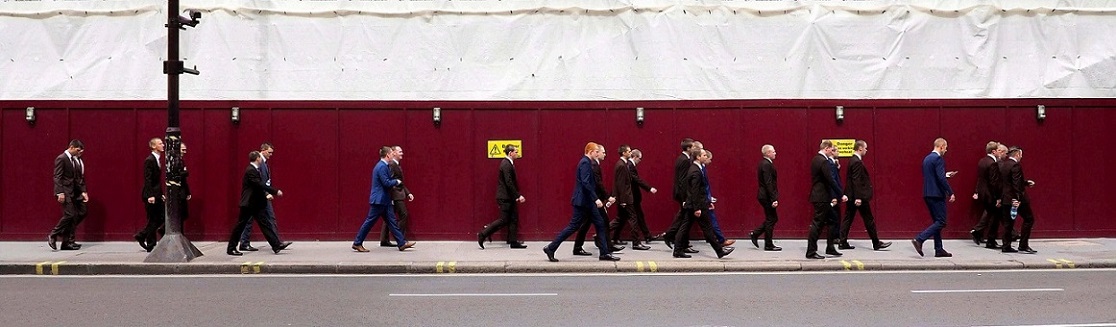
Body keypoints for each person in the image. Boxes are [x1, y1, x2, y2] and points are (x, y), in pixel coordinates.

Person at [542, 142, 620, 262]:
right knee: (573, 226)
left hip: (587, 202)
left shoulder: (588, 162)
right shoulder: (585, 163)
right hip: (583, 202)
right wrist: (596, 199)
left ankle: (604, 253)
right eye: (596, 151)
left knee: (600, 224)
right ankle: (551, 247)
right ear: (590, 152)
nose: (598, 153)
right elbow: (585, 183)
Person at [227, 151, 293, 255]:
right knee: (240, 226)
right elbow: (260, 185)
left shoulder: (254, 170)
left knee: (265, 224)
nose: (261, 159)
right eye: (260, 157)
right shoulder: (251, 170)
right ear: (257, 158)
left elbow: (258, 187)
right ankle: (231, 248)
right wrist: (275, 191)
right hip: (248, 204)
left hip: (255, 204)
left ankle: (276, 245)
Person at [672, 148, 733, 259]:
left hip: (696, 204)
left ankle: (677, 250)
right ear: (698, 157)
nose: (706, 157)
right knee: (706, 228)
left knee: (685, 227)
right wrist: (697, 208)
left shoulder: (696, 169)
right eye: (704, 155)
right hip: (697, 205)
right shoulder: (695, 171)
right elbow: (695, 191)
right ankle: (719, 251)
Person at [352, 147, 416, 252]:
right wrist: (396, 182)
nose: (392, 155)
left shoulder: (383, 166)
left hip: (384, 200)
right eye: (391, 153)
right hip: (379, 200)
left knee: (392, 222)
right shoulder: (381, 167)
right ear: (387, 155)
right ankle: (357, 242)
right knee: (369, 222)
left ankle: (401, 243)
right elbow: (386, 182)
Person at [839, 140, 892, 250]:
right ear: (860, 148)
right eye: (865, 148)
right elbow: (856, 180)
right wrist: (858, 197)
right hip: (858, 197)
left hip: (852, 195)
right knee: (868, 219)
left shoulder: (852, 160)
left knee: (848, 218)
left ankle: (842, 241)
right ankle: (876, 242)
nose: (866, 150)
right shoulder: (857, 162)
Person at [913, 138, 957, 257]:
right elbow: (940, 178)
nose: (946, 150)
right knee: (941, 221)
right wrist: (950, 192)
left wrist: (946, 174)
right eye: (946, 147)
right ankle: (920, 239)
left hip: (928, 193)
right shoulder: (938, 159)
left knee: (937, 221)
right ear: (941, 146)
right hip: (937, 194)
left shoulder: (927, 158)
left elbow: (934, 176)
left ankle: (939, 249)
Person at [478, 145, 527, 249]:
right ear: (510, 153)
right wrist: (518, 195)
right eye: (515, 152)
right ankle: (483, 234)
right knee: (504, 220)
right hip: (505, 197)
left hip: (509, 197)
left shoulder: (509, 163)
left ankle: (513, 241)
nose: (517, 153)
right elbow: (508, 182)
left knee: (513, 218)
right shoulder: (506, 164)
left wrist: (515, 196)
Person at [608, 145, 657, 250]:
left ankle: (602, 234)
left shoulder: (624, 164)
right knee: (633, 219)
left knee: (621, 219)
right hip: (627, 198)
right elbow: (622, 184)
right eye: (629, 151)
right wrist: (623, 200)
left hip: (627, 197)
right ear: (624, 152)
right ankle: (636, 243)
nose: (630, 153)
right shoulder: (622, 165)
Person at [239, 143, 286, 252]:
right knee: (262, 220)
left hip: (258, 197)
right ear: (263, 151)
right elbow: (259, 183)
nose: (271, 155)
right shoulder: (258, 165)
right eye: (269, 152)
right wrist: (267, 193)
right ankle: (275, 243)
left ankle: (276, 243)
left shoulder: (262, 163)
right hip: (258, 197)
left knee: (265, 220)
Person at [806, 140, 845, 259]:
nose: (832, 151)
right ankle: (811, 251)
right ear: (826, 148)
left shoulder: (815, 159)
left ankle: (830, 247)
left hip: (820, 196)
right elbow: (830, 179)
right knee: (817, 223)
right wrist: (840, 194)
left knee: (833, 221)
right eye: (831, 149)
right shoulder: (823, 161)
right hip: (822, 197)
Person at [48, 139, 88, 251]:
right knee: (70, 215)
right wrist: (59, 192)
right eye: (78, 150)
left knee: (78, 214)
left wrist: (82, 191)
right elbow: (57, 176)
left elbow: (78, 178)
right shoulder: (62, 158)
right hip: (64, 192)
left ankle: (66, 242)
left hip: (73, 192)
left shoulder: (74, 160)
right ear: (71, 147)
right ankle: (54, 234)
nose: (79, 152)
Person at [1000, 147, 1038, 254]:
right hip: (1016, 199)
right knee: (1029, 219)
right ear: (1017, 155)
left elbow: (1007, 182)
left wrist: (1025, 183)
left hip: (1006, 198)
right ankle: (1023, 245)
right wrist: (1017, 199)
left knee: (1008, 223)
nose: (1021, 157)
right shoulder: (1015, 165)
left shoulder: (1004, 165)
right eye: (1021, 154)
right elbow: (1016, 184)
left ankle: (1006, 245)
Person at [969, 141, 1004, 247]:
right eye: (998, 150)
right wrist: (998, 197)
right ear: (993, 151)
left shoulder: (982, 161)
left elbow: (981, 178)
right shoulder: (992, 163)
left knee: (990, 214)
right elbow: (994, 182)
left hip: (982, 192)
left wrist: (977, 191)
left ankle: (978, 233)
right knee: (995, 216)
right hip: (990, 194)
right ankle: (991, 240)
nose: (999, 152)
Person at [134, 137, 165, 252]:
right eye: (160, 143)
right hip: (150, 195)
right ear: (153, 146)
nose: (163, 145)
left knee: (158, 218)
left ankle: (143, 237)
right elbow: (148, 179)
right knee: (154, 219)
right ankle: (149, 242)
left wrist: (161, 194)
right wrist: (150, 195)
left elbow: (157, 181)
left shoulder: (157, 159)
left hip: (156, 194)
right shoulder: (150, 160)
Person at [381, 146, 415, 247]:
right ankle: (400, 239)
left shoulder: (395, 164)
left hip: (398, 194)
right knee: (403, 215)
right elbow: (390, 181)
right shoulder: (392, 165)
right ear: (394, 153)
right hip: (396, 195)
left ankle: (384, 239)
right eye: (400, 151)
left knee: (388, 218)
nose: (402, 153)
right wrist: (390, 196)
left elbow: (400, 181)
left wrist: (408, 193)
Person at [749, 144, 781, 251]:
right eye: (773, 151)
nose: (775, 153)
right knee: (771, 219)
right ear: (767, 153)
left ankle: (756, 234)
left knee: (771, 218)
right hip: (767, 196)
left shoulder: (764, 163)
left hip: (765, 195)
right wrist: (774, 198)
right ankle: (768, 244)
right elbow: (769, 182)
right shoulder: (766, 164)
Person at [626, 149, 657, 245]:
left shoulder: (630, 165)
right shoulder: (630, 166)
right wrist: (649, 188)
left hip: (633, 197)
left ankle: (647, 236)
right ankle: (641, 239)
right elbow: (636, 180)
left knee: (639, 216)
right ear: (635, 157)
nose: (640, 161)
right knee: (629, 218)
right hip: (632, 197)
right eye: (639, 158)